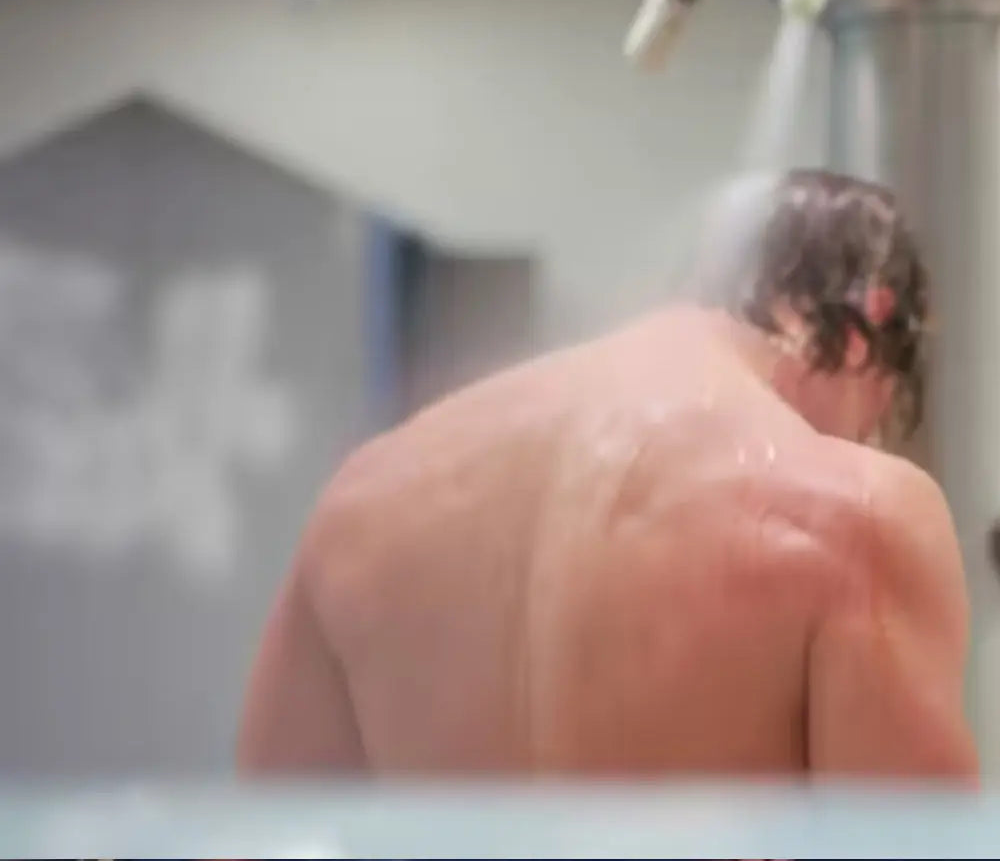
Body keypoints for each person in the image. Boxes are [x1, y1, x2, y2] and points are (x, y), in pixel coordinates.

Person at [238, 169, 977, 779]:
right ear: (864, 331)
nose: (858, 441)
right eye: (872, 417)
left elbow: (264, 840)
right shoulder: (854, 515)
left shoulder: (367, 496)